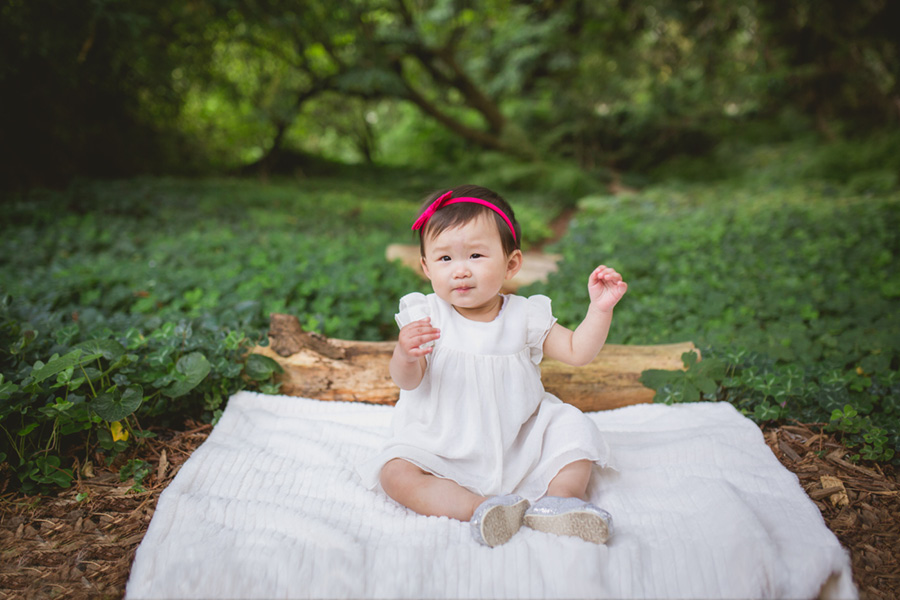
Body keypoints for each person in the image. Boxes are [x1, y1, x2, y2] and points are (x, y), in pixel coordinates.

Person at [358, 184, 627, 547]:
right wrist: (405, 355)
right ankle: (483, 508)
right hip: (442, 443)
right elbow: (408, 382)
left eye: (476, 256)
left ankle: (561, 499)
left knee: (573, 429)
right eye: (445, 259)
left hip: (520, 439)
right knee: (395, 473)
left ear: (511, 263)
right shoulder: (426, 315)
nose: (461, 271)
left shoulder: (524, 315)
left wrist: (600, 309)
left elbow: (578, 351)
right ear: (425, 267)